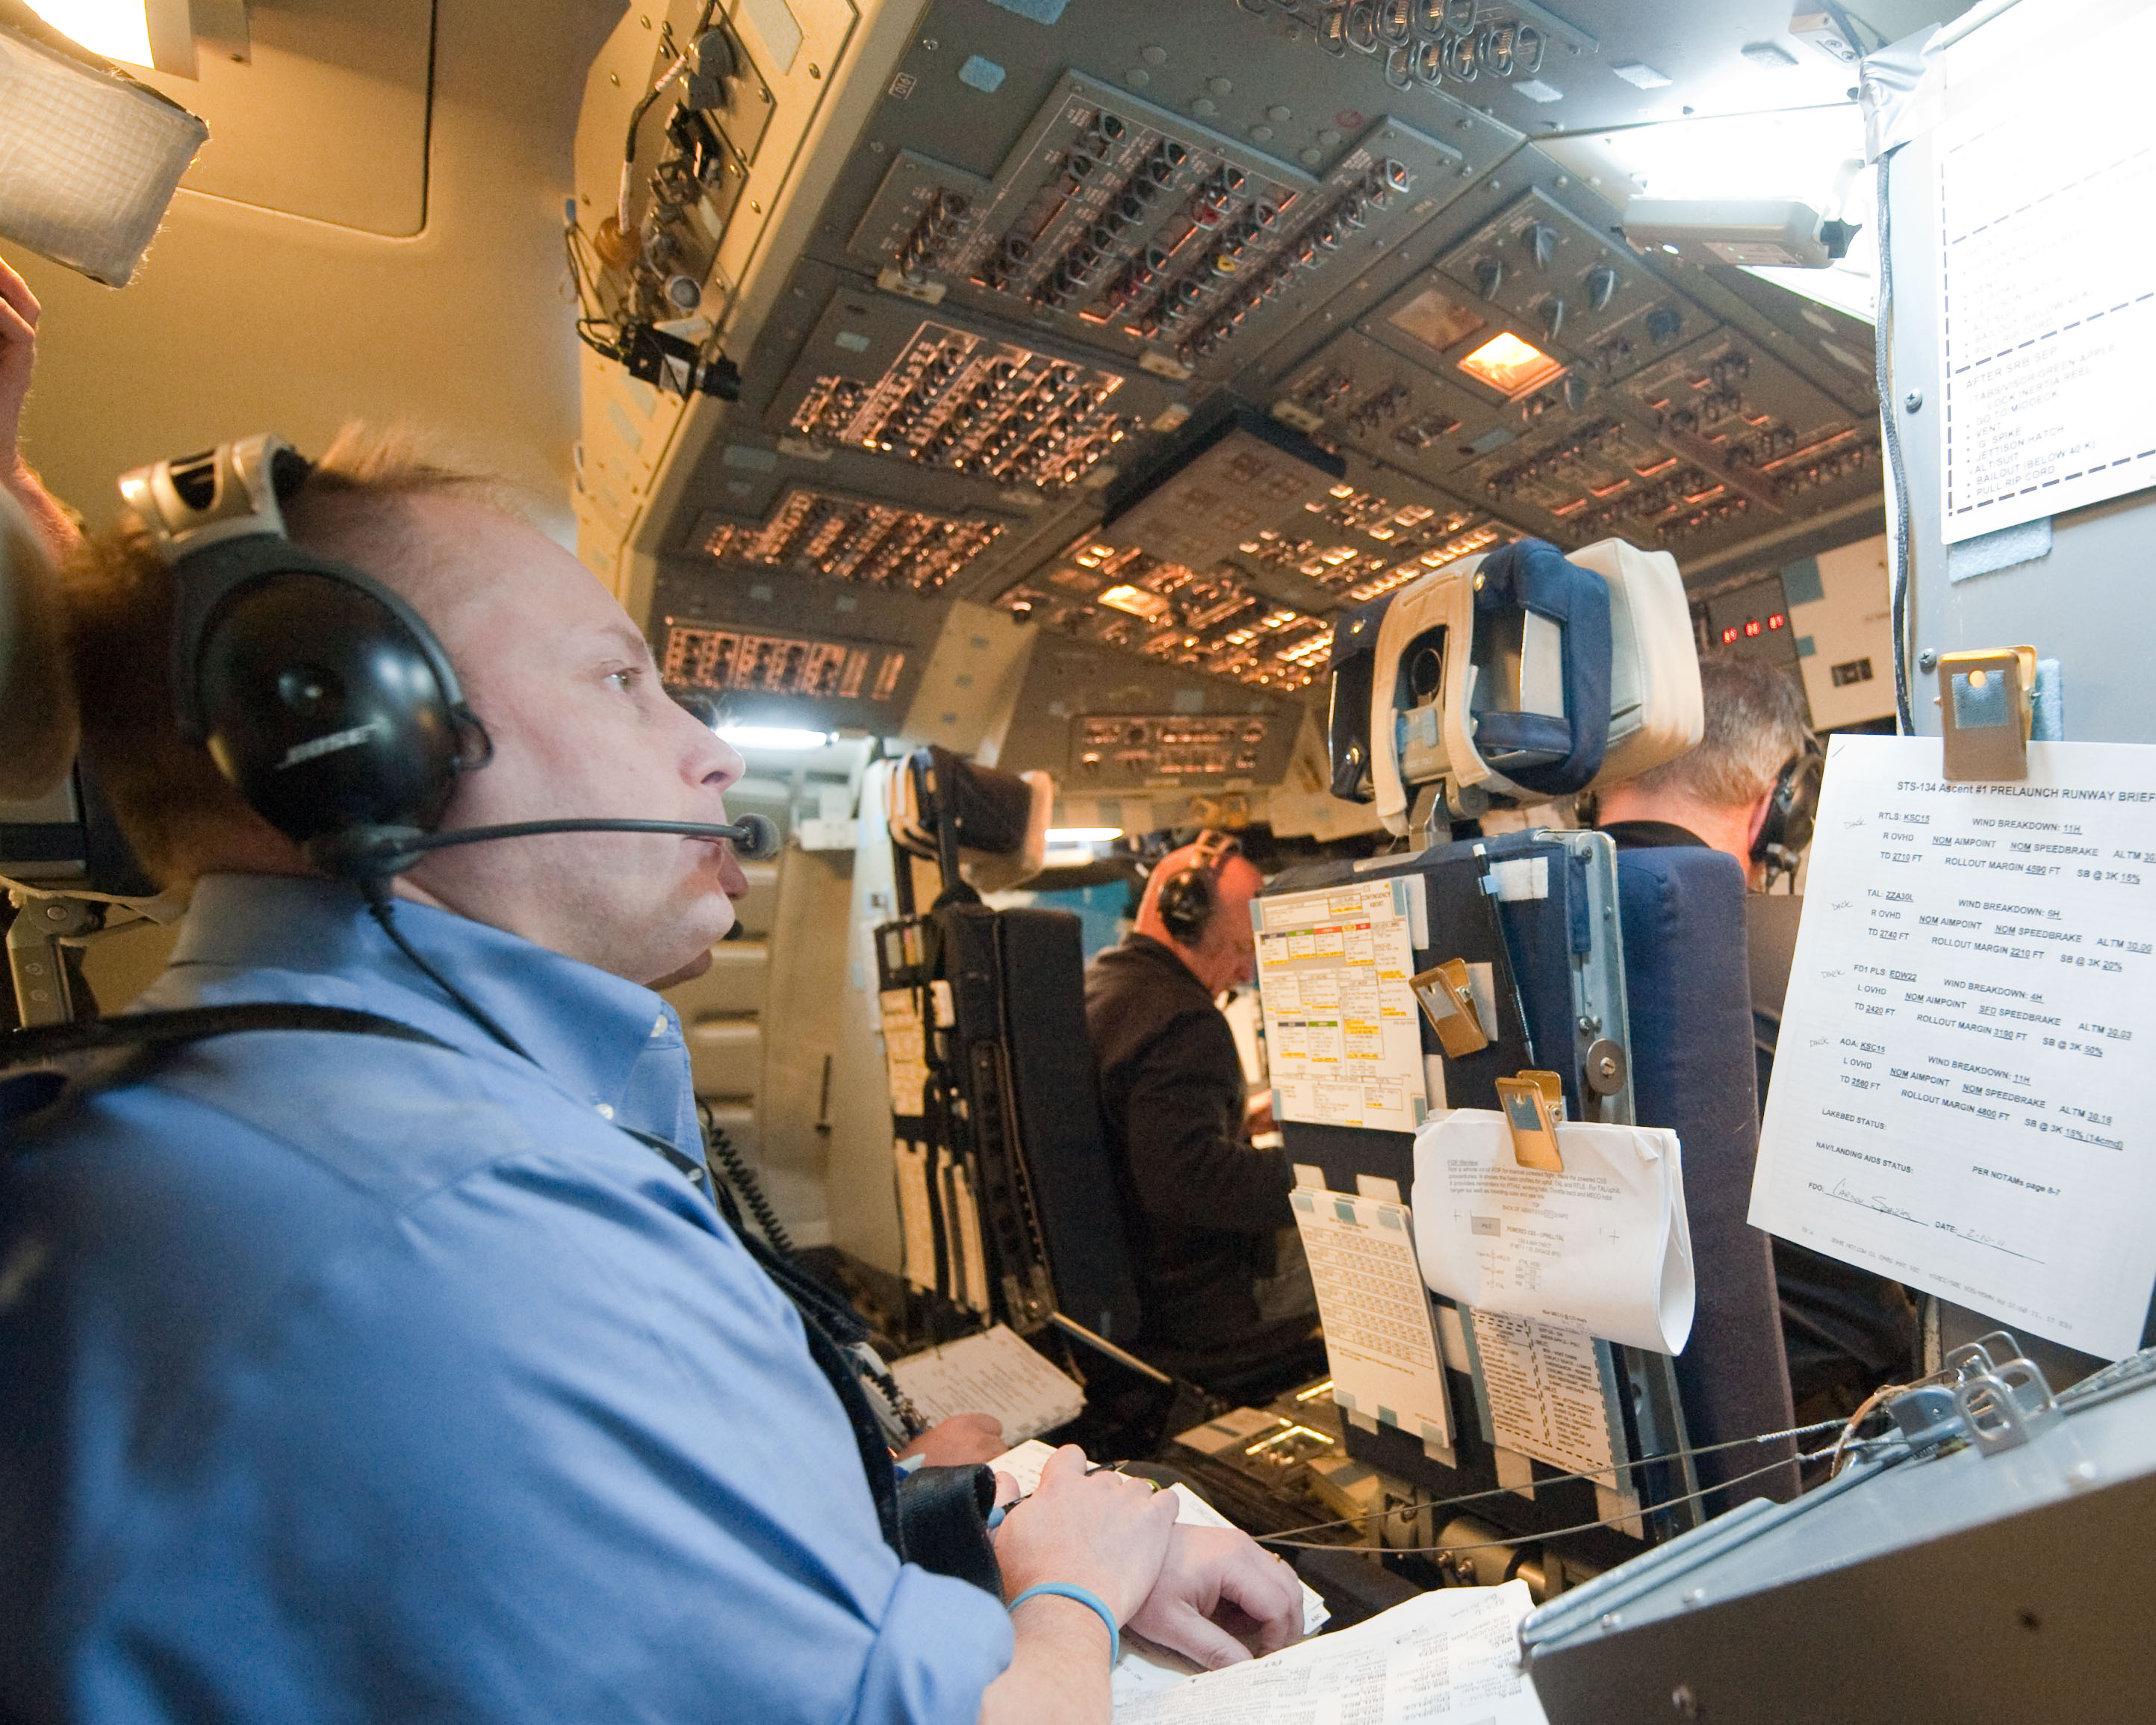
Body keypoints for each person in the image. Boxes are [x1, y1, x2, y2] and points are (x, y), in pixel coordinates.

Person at [0, 426, 1305, 1723]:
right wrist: (1071, 1588)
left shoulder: (285, 1118)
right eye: (620, 680)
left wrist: (969, 1522)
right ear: (351, 738)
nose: (715, 756)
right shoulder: (461, 1222)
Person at [1593, 655, 1919, 1417]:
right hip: (1824, 1423)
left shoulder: (1513, 930)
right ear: (1776, 803)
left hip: (1607, 1416)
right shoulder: (1827, 952)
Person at [1084, 832, 1324, 1401]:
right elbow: (1188, 1183)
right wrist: (1329, 1171)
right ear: (1184, 916)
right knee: (1389, 1252)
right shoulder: (1184, 1021)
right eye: (1241, 949)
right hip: (1206, 1300)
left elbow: (1138, 1138)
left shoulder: (1107, 985)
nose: (1245, 974)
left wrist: (1238, 1122)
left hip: (1140, 1277)